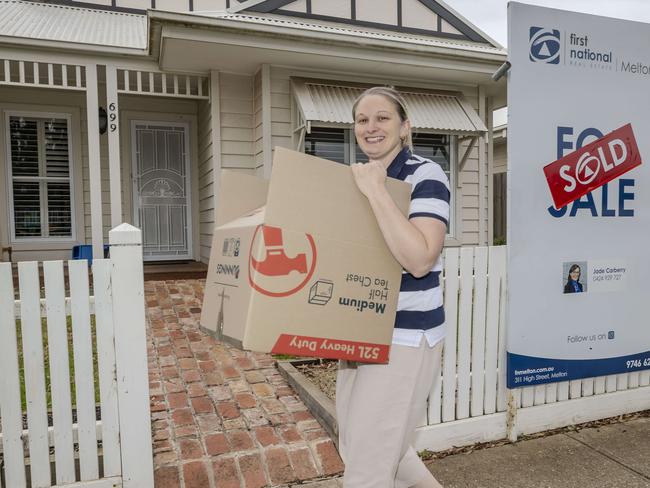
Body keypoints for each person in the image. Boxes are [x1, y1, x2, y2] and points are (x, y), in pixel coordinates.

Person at [336, 86, 449, 488]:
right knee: (361, 445)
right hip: (361, 332)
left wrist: (376, 190)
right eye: (362, 120)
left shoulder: (424, 174)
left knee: (367, 469)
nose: (371, 127)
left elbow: (420, 258)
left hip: (404, 338)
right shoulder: (355, 177)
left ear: (404, 127)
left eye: (382, 118)